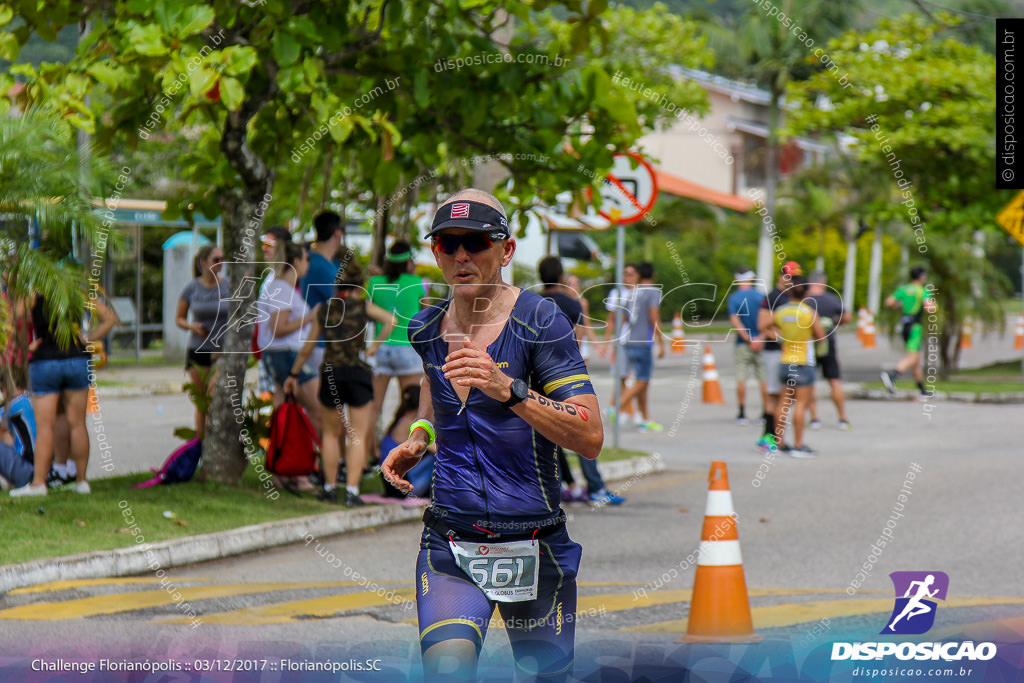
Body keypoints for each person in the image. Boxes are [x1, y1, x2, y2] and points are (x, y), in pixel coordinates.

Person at [381, 189, 603, 683]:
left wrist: (508, 389)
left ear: (506, 251)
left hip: (534, 543)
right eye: (447, 242)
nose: (461, 255)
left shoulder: (540, 322)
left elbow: (589, 435)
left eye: (476, 242)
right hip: (451, 540)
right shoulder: (425, 327)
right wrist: (419, 436)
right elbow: (432, 381)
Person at [286, 260, 395, 506]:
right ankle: (353, 491)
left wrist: (292, 376)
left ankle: (330, 487)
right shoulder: (364, 306)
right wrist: (374, 346)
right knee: (356, 435)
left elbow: (307, 348)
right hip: (358, 373)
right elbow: (391, 321)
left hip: (331, 374)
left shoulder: (325, 309)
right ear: (360, 285)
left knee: (331, 435)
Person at [10, 293, 118, 496]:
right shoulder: (75, 293)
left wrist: (25, 346)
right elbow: (110, 318)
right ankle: (81, 481)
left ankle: (39, 483)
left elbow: (12, 318)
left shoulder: (34, 294)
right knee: (77, 423)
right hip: (77, 359)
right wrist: (87, 341)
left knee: (45, 427)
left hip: (45, 360)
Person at [538, 255, 623, 506]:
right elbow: (577, 341)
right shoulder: (572, 304)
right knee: (583, 430)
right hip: (564, 375)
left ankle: (566, 486)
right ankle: (595, 488)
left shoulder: (530, 302)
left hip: (536, 376)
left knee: (546, 431)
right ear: (562, 277)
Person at [368, 240, 425, 461]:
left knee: (373, 409)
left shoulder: (374, 282)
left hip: (380, 349)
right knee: (410, 408)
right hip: (408, 350)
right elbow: (425, 311)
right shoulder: (417, 283)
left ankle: (369, 455)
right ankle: (404, 457)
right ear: (409, 262)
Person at [258, 242, 322, 435]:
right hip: (287, 353)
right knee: (318, 409)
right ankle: (315, 458)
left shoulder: (280, 286)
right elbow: (279, 327)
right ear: (296, 261)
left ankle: (282, 456)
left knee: (281, 406)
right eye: (306, 259)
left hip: (278, 354)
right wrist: (310, 317)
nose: (308, 264)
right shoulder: (283, 288)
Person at [761, 276, 825, 458]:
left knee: (783, 403)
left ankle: (779, 442)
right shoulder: (809, 312)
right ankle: (798, 444)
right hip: (803, 361)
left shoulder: (781, 311)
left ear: (789, 292)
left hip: (785, 359)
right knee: (801, 404)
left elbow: (763, 326)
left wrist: (779, 337)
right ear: (806, 293)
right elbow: (821, 336)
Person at [175, 244, 230, 441]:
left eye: (223, 259)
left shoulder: (229, 285)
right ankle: (201, 446)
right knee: (202, 403)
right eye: (216, 260)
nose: (220, 264)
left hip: (221, 351)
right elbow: (179, 319)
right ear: (203, 262)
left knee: (214, 397)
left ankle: (218, 444)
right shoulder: (192, 288)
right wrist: (192, 327)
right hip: (198, 349)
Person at [754, 261, 801, 453]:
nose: (793, 281)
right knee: (774, 395)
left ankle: (774, 437)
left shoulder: (791, 297)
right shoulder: (773, 297)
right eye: (790, 277)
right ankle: (768, 437)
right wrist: (784, 340)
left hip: (788, 354)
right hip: (774, 352)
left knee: (787, 397)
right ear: (781, 277)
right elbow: (763, 324)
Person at [615, 262, 665, 432]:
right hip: (642, 342)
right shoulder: (653, 292)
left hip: (628, 341)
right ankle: (617, 406)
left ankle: (645, 417)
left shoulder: (631, 293)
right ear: (653, 275)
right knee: (643, 381)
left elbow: (624, 318)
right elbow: (654, 316)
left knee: (641, 381)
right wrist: (662, 340)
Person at [881, 267, 936, 401]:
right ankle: (892, 376)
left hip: (905, 325)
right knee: (912, 357)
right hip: (915, 327)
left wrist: (900, 305)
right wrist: (933, 305)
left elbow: (889, 302)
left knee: (916, 360)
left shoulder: (904, 289)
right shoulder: (921, 291)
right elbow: (929, 308)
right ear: (922, 277)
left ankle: (922, 390)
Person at [806, 271, 851, 429]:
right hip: (828, 343)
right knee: (834, 380)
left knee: (810, 382)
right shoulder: (831, 299)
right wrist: (835, 322)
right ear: (823, 282)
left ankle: (814, 418)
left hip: (810, 344)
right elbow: (846, 317)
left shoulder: (805, 300)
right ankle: (842, 419)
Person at [379, 385, 436, 500]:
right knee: (436, 458)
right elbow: (437, 449)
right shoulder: (411, 425)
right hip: (402, 482)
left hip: (388, 481)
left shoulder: (398, 421)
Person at [257, 226, 293, 396]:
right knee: (271, 400)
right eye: (263, 243)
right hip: (269, 350)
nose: (264, 247)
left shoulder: (290, 277)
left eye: (269, 244)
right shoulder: (270, 277)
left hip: (285, 351)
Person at [727, 269, 766, 426]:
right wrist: (760, 337)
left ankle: (742, 412)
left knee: (741, 378)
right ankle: (765, 411)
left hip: (743, 343)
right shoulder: (761, 296)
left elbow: (735, 321)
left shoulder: (734, 298)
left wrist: (748, 338)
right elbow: (767, 319)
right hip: (762, 343)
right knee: (763, 378)